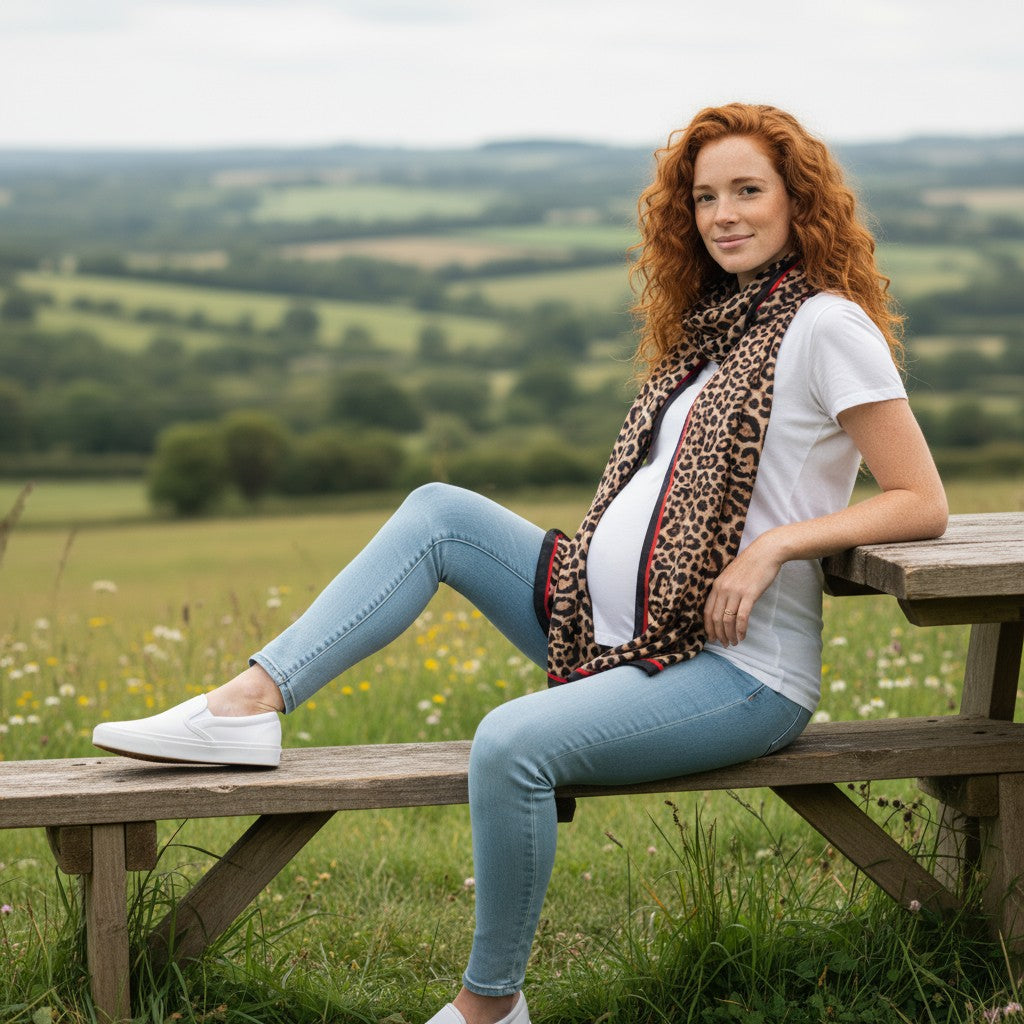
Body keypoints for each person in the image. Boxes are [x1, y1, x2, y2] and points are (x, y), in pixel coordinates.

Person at [92, 102, 948, 1024]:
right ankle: (248, 704)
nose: (724, 214)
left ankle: (490, 1010)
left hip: (735, 669)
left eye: (749, 190)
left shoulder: (825, 326)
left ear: (798, 201)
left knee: (510, 740)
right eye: (705, 196)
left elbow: (920, 500)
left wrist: (777, 546)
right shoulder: (717, 325)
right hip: (604, 617)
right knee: (440, 514)